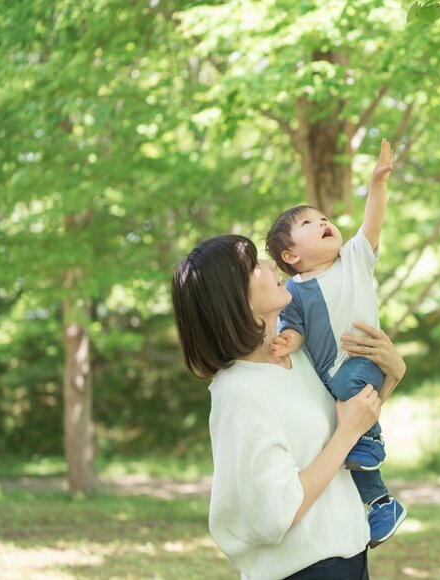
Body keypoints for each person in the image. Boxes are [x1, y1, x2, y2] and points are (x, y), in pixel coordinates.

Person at [171, 234, 405, 579]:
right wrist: (347, 433)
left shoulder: (300, 356)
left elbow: (352, 428)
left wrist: (392, 377)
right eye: (254, 267)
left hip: (353, 559)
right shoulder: (239, 391)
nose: (270, 264)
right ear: (232, 300)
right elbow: (274, 512)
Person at [265, 138, 406, 547]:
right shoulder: (293, 289)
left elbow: (373, 222)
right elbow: (293, 330)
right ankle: (381, 505)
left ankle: (370, 439)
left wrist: (377, 183)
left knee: (354, 422)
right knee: (344, 451)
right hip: (332, 377)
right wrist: (287, 342)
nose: (324, 222)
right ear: (291, 255)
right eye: (309, 223)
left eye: (323, 218)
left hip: (362, 359)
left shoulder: (354, 259)